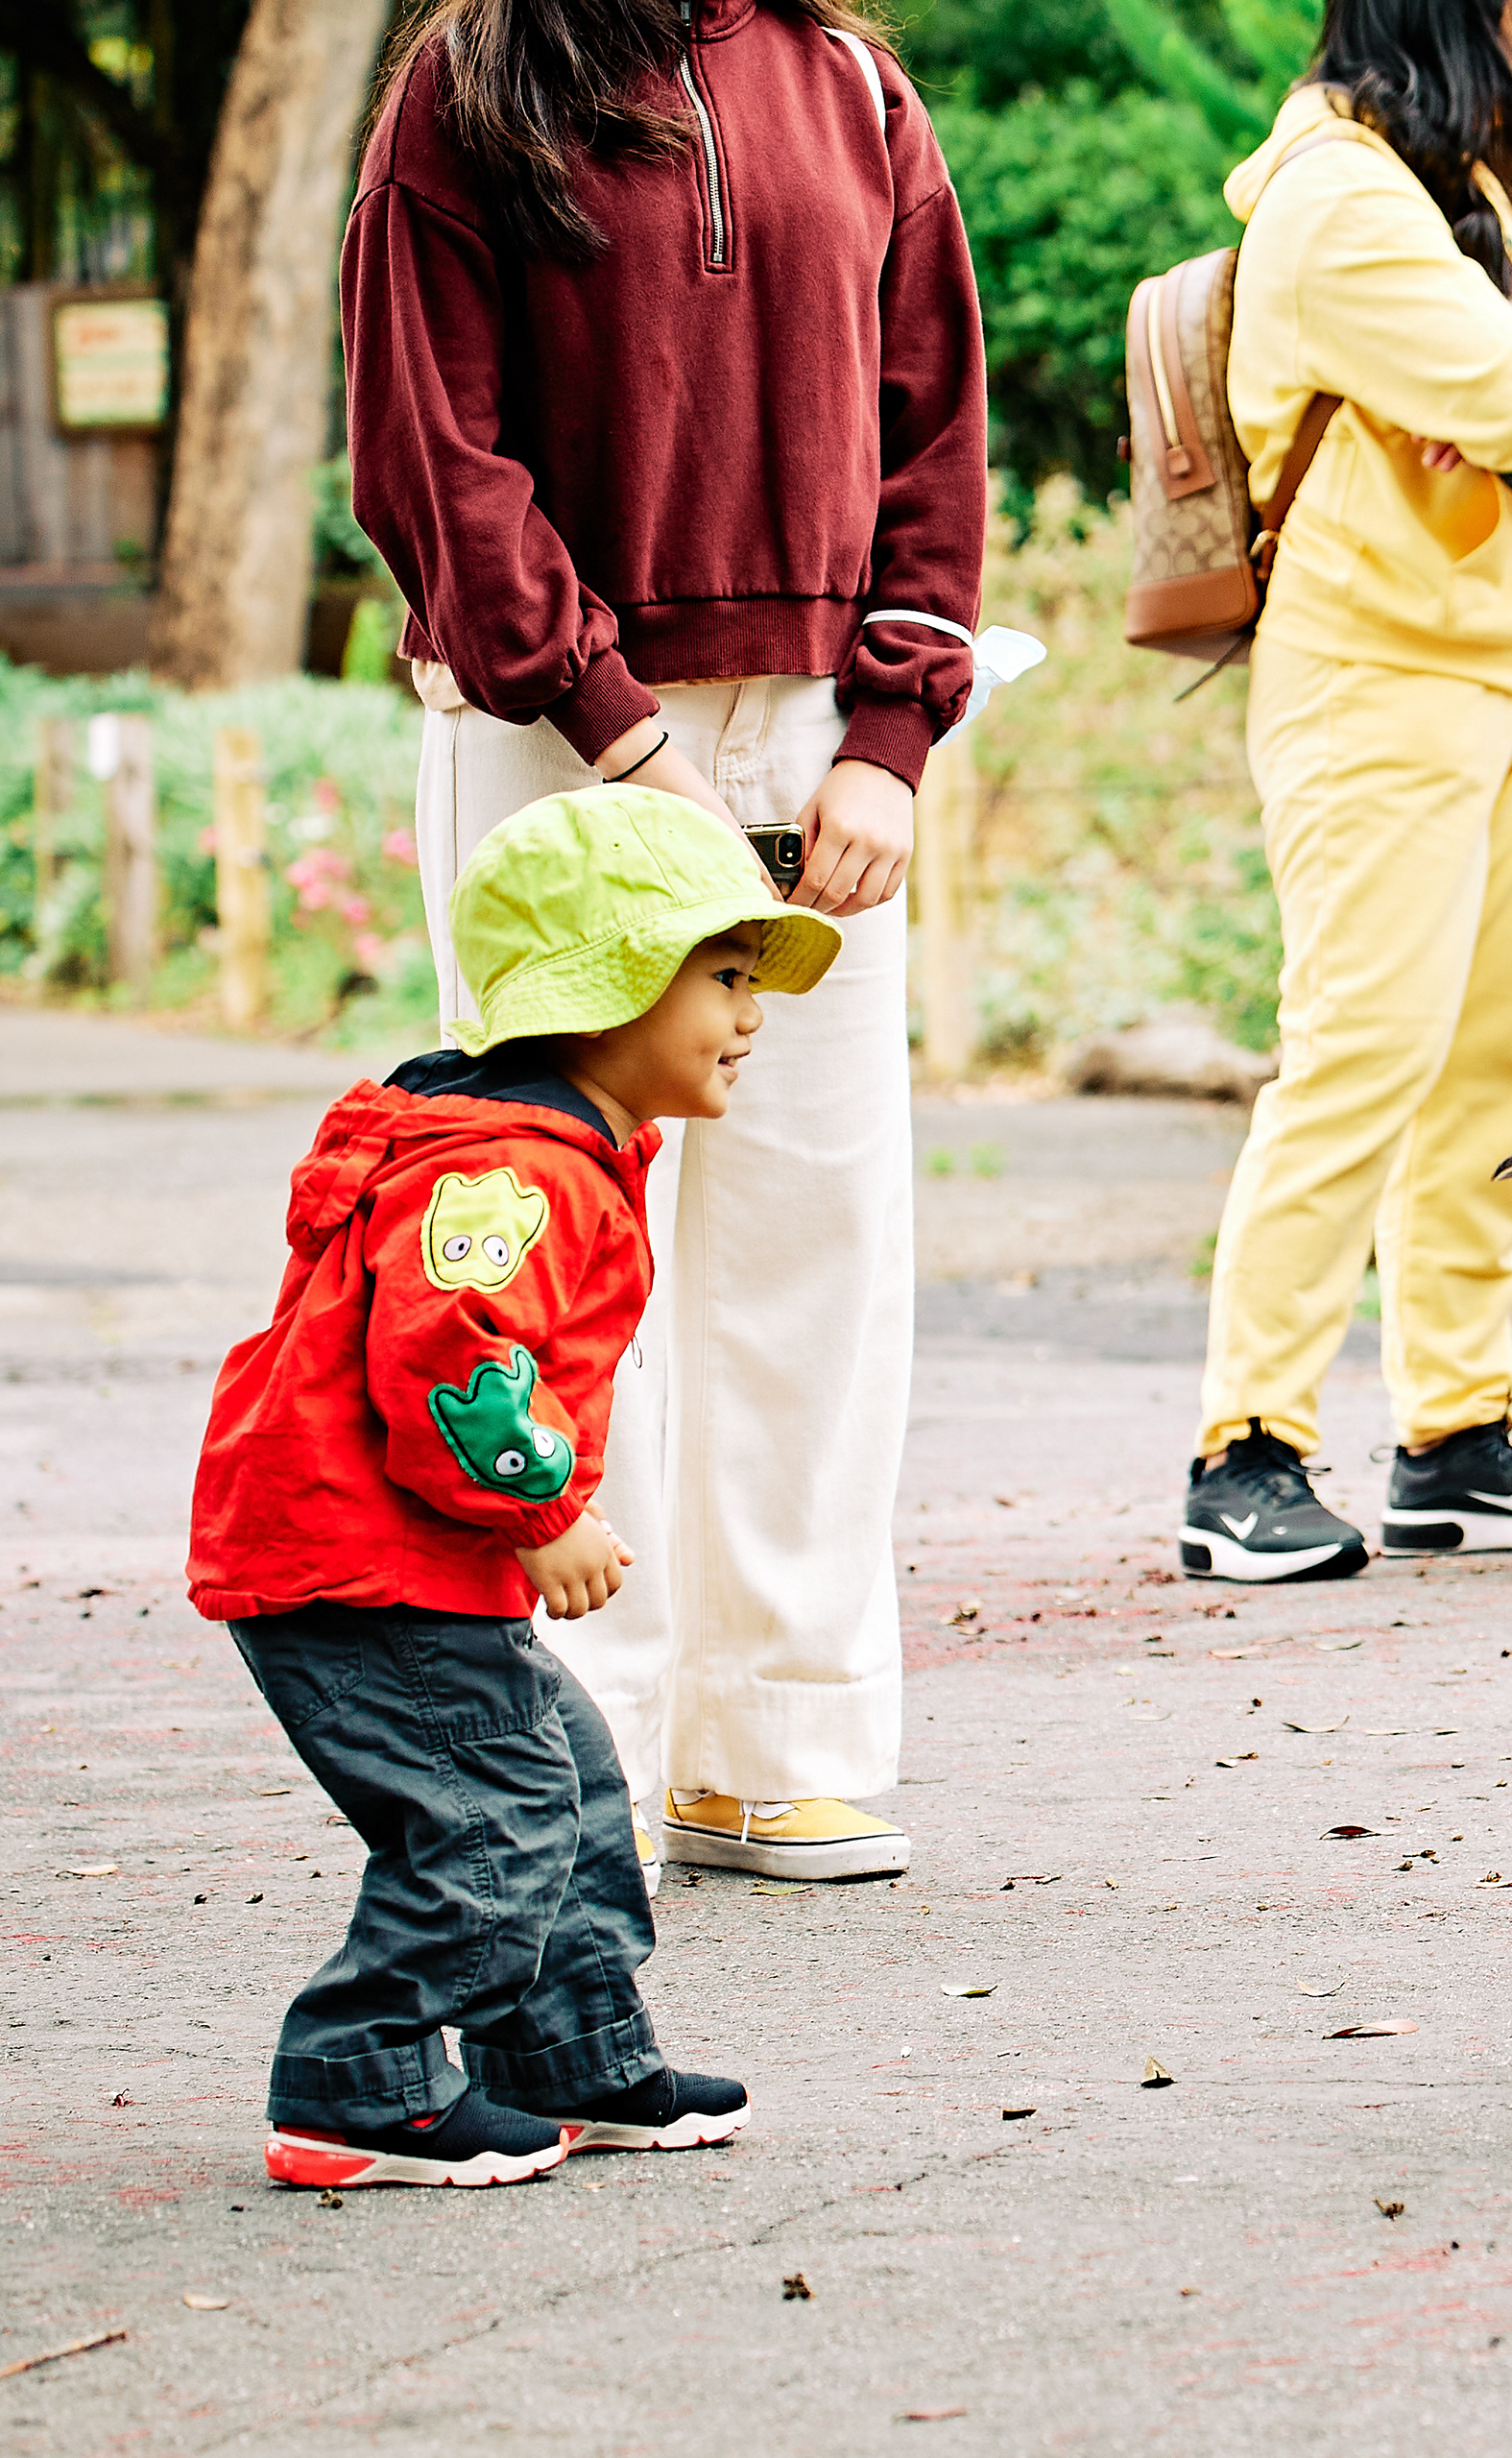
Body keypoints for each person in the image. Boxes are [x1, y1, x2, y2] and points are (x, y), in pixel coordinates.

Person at [344, 0, 988, 1881]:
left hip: (814, 743)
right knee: (555, 1243)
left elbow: (935, 432)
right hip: (555, 740)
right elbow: (435, 457)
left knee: (817, 1239)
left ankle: (778, 1740)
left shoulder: (854, 83)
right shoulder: (470, 77)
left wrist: (892, 733)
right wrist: (624, 735)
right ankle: (576, 1748)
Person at [187, 787, 837, 2188]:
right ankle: (356, 2083)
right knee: (493, 1816)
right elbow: (453, 1363)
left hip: (407, 1558)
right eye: (725, 978)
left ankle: (566, 2054)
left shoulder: (558, 1151)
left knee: (573, 1786)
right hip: (357, 1563)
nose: (753, 1016)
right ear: (610, 990)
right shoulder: (511, 1178)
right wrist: (544, 1513)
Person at [1181, 0, 1512, 1583]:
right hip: (1378, 677)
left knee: (1502, 1065)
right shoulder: (1339, 197)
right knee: (1363, 1053)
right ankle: (1244, 1452)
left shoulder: (1479, 193)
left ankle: (1453, 1432)